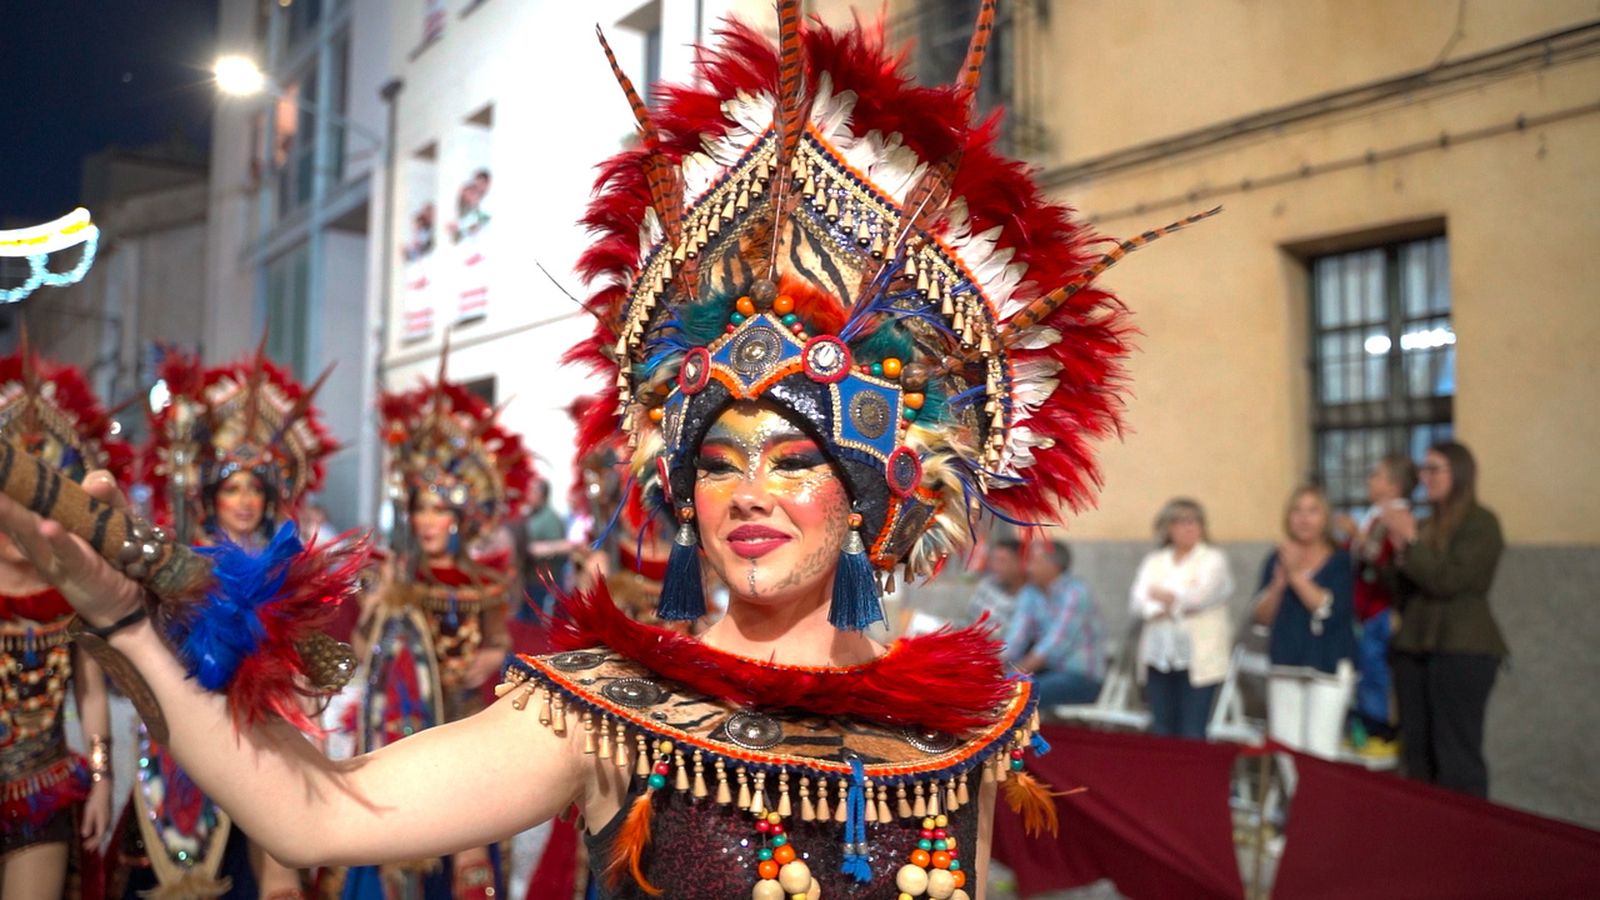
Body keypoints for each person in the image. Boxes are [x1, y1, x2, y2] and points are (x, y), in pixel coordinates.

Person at [0, 7, 1208, 898]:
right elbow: (324, 813)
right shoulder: (617, 711)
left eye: (791, 461)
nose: (745, 491)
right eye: (716, 462)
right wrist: (126, 627)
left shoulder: (961, 732)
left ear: (870, 505)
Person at [128, 344, 339, 899]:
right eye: (232, 486)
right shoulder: (182, 562)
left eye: (255, 488)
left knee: (276, 877)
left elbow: (307, 664)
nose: (244, 500)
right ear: (211, 494)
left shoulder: (289, 567)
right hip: (193, 731)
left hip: (269, 728)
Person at [354, 360, 533, 898]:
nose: (428, 521)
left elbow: (500, 643)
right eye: (420, 509)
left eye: (439, 510)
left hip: (465, 736)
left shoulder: (484, 582)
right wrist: (376, 608)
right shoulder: (392, 573)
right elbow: (368, 658)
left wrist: (486, 660)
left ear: (460, 516)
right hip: (399, 736)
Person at [0, 342, 121, 900]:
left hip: (42, 786)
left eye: (40, 505)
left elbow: (90, 689)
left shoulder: (72, 598)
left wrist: (101, 776)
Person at [1380, 440, 1506, 798]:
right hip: (1414, 649)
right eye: (1424, 470)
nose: (1426, 478)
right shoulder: (1424, 525)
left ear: (1460, 473)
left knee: (1456, 757)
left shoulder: (1481, 523)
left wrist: (1411, 543)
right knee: (1416, 756)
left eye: (1435, 469)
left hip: (1462, 650)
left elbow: (1450, 580)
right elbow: (1403, 590)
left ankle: (1467, 841)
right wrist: (1396, 549)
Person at [1253, 486, 1356, 759]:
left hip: (1328, 664)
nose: (1304, 518)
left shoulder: (1341, 561)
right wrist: (1278, 584)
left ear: (1325, 517)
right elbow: (1261, 618)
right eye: (1297, 510)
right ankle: (1294, 802)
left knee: (1319, 752)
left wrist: (1296, 575)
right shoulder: (1275, 559)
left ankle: (1318, 803)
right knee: (1284, 751)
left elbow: (1328, 609)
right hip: (1286, 662)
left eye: (1313, 510)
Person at [1131, 499, 1235, 739]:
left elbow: (1200, 597)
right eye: (1180, 522)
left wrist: (1163, 596)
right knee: (1161, 728)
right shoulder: (1155, 560)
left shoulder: (1213, 559)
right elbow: (1138, 601)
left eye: (1194, 521)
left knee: (1192, 730)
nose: (1188, 528)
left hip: (1199, 658)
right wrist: (1170, 602)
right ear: (1168, 527)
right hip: (1159, 655)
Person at [1345, 453, 1417, 752]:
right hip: (1363, 608)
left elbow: (1381, 556)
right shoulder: (1375, 514)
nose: (1369, 480)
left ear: (1394, 486)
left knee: (1376, 671)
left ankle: (1379, 729)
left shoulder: (1395, 517)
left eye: (1376, 475)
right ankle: (1364, 725)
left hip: (1380, 608)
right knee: (1364, 669)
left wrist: (1355, 536)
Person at [1002, 540, 1106, 707]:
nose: (1028, 568)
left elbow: (1054, 645)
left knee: (1016, 693)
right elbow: (1016, 638)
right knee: (999, 689)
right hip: (1045, 672)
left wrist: (1014, 673)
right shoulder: (1030, 593)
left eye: (1034, 562)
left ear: (1054, 566)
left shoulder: (1076, 593)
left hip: (1079, 677)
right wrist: (992, 667)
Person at [522, 476, 576, 621]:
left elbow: (563, 547)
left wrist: (538, 549)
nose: (527, 494)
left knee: (537, 623)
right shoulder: (529, 515)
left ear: (541, 495)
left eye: (531, 491)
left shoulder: (550, 518)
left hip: (543, 582)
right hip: (528, 580)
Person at [963, 537, 1026, 630]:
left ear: (1020, 562)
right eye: (994, 560)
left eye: (1002, 561)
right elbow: (969, 620)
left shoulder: (1030, 596)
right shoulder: (987, 585)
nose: (996, 566)